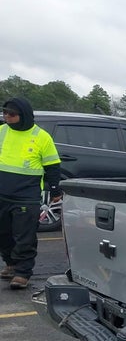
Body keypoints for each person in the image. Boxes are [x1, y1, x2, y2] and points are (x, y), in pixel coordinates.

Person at [0, 98, 61, 289]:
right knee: (3, 234)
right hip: (2, 194)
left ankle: (23, 273)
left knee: (24, 237)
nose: (6, 117)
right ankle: (10, 264)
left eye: (11, 114)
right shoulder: (1, 132)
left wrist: (54, 189)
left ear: (23, 115)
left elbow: (52, 166)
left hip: (26, 196)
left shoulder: (41, 137)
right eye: (4, 112)